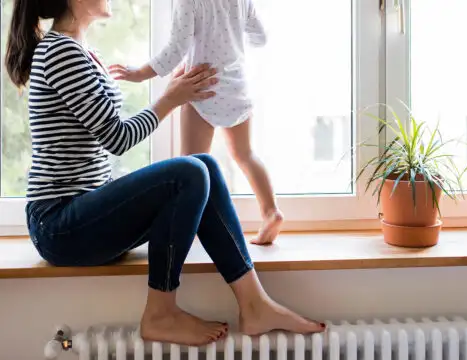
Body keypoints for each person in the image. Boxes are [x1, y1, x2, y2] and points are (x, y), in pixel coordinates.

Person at [5, 0, 325, 347]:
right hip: (60, 225)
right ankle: (160, 312)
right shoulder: (60, 53)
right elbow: (117, 137)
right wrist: (170, 100)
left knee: (205, 166)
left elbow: (104, 127)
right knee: (188, 172)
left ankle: (254, 303)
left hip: (83, 216)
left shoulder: (80, 51)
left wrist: (173, 92)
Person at [109, 0, 283, 246]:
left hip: (201, 88)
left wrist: (139, 74)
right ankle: (270, 211)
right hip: (236, 86)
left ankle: (190, 227)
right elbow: (260, 37)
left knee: (191, 163)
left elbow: (175, 49)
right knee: (245, 154)